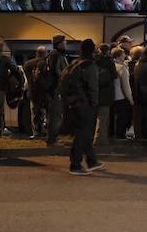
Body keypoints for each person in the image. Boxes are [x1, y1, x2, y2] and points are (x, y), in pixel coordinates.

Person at [60, 39, 105, 175]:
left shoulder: (75, 63)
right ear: (92, 50)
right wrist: (94, 103)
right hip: (85, 104)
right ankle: (75, 164)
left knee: (84, 132)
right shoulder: (90, 65)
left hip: (74, 102)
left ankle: (92, 161)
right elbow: (93, 87)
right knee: (82, 133)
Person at [44, 35, 69, 146]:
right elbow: (58, 72)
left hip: (53, 89)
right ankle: (52, 140)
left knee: (54, 115)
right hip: (55, 89)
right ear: (59, 43)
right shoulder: (57, 55)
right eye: (64, 41)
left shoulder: (53, 55)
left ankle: (52, 138)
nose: (66, 43)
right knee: (56, 115)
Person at [23, 46, 49, 138]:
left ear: (36, 53)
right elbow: (42, 79)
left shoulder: (27, 64)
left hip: (31, 91)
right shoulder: (43, 63)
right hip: (42, 92)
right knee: (44, 112)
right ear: (44, 53)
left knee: (34, 112)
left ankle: (36, 132)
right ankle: (43, 131)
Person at [94, 43, 118, 145]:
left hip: (94, 92)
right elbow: (114, 75)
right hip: (106, 94)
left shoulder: (94, 61)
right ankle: (101, 140)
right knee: (103, 118)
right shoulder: (109, 62)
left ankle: (92, 138)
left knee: (94, 118)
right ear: (108, 51)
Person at [110, 46, 134, 139]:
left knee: (112, 118)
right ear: (119, 55)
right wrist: (130, 99)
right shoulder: (122, 68)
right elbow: (126, 86)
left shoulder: (112, 66)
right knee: (121, 119)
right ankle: (120, 137)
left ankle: (112, 135)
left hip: (111, 96)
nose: (125, 55)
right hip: (121, 97)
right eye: (123, 54)